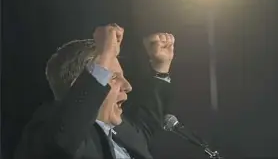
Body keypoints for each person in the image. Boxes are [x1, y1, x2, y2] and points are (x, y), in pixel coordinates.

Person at [14, 24, 175, 159]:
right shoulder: (46, 130)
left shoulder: (124, 132)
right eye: (113, 77)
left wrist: (160, 68)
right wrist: (105, 54)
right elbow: (62, 139)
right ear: (81, 84)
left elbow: (146, 124)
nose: (128, 86)